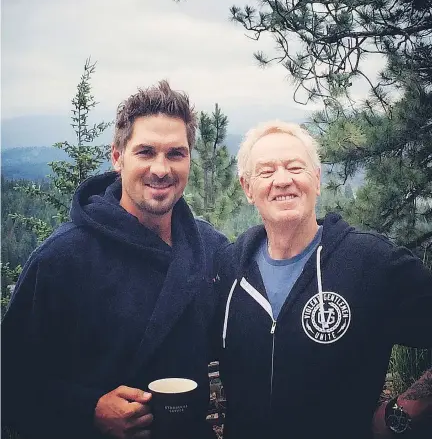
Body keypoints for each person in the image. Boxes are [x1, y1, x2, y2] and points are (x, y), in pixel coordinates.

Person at [2, 80, 228, 439]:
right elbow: (10, 383)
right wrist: (87, 410)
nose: (161, 168)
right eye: (145, 152)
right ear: (118, 157)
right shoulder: (61, 259)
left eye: (175, 153)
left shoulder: (212, 251)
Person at [213, 120, 432, 439]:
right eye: (267, 171)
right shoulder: (230, 267)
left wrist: (404, 411)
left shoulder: (371, 261)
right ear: (248, 189)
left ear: (316, 180)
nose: (282, 180)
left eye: (295, 167)